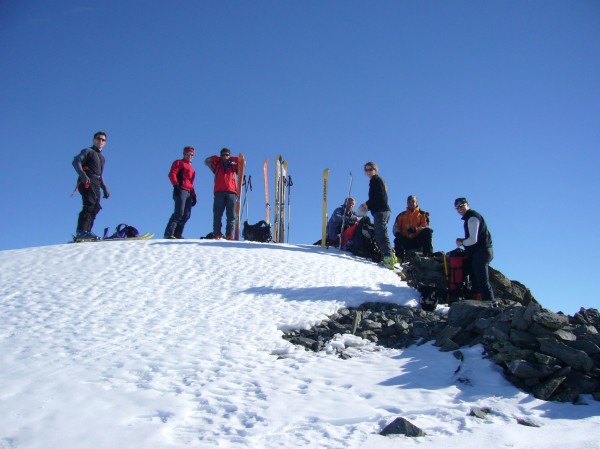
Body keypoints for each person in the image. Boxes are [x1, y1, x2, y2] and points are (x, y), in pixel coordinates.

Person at [454, 197, 494, 301]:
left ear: (467, 205)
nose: (459, 209)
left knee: (482, 280)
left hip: (481, 252)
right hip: (481, 251)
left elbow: (473, 239)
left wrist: (462, 242)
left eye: (461, 206)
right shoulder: (470, 217)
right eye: (457, 207)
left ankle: (491, 305)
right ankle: (481, 300)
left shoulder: (472, 218)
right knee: (477, 279)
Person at [72, 131, 110, 239]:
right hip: (87, 181)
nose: (100, 141)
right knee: (89, 204)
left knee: (96, 207)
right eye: (98, 139)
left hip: (96, 183)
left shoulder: (102, 158)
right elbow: (76, 162)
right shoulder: (88, 151)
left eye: (103, 140)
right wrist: (83, 175)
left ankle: (87, 231)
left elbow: (100, 175)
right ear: (94, 140)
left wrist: (104, 187)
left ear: (105, 142)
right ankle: (81, 231)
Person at [359, 162, 396, 268]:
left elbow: (380, 198)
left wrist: (368, 204)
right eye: (366, 170)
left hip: (381, 211)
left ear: (375, 169)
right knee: (381, 234)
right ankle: (389, 257)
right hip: (381, 211)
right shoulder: (375, 181)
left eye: (370, 169)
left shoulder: (376, 180)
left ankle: (388, 259)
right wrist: (368, 205)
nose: (368, 172)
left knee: (382, 235)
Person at [204, 148, 239, 240]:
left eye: (227, 155)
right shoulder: (216, 165)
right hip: (219, 192)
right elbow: (207, 161)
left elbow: (242, 164)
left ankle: (229, 235)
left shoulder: (233, 166)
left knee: (231, 215)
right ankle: (217, 234)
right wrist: (218, 158)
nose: (225, 157)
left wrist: (233, 159)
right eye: (223, 155)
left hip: (231, 192)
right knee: (217, 214)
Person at [163, 147, 197, 239]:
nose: (190, 156)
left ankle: (178, 233)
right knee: (179, 212)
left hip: (189, 192)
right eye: (189, 154)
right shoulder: (179, 163)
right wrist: (176, 185)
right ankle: (169, 233)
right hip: (181, 189)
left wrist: (194, 195)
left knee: (187, 214)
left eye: (192, 155)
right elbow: (172, 174)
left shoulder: (192, 169)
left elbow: (191, 183)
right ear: (184, 154)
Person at [393, 195, 433, 260]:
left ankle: (428, 255)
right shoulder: (401, 215)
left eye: (413, 201)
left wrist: (415, 230)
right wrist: (398, 234)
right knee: (398, 239)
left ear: (416, 203)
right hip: (406, 240)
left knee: (428, 232)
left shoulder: (423, 214)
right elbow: (395, 228)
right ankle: (399, 259)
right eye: (409, 202)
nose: (410, 203)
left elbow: (426, 227)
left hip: (418, 240)